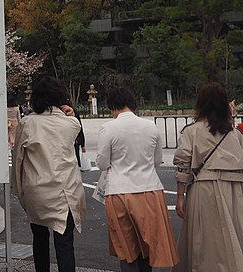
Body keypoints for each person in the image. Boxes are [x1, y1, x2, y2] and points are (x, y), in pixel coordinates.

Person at [96, 86, 178, 272]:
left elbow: (102, 163)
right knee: (147, 245)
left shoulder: (108, 128)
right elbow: (157, 160)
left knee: (126, 247)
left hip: (118, 191)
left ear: (113, 107)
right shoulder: (150, 126)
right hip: (150, 189)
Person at [12, 76, 86, 272]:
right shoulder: (71, 124)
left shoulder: (27, 124)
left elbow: (18, 159)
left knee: (40, 238)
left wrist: (19, 191)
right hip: (66, 192)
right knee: (64, 244)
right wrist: (69, 112)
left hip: (38, 191)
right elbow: (71, 121)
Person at [173, 82, 243, 272]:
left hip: (204, 188)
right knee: (233, 235)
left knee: (204, 239)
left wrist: (180, 197)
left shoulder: (192, 131)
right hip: (234, 189)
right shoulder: (235, 134)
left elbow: (183, 165)